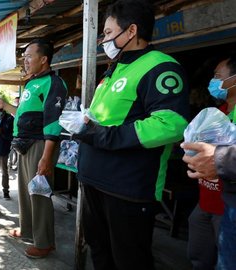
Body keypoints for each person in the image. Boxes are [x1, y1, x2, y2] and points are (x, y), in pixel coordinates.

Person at [72, 1, 190, 269]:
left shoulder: (160, 67)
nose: (104, 39)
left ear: (131, 30)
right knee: (100, 253)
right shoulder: (115, 68)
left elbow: (170, 124)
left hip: (128, 190)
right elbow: (107, 117)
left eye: (108, 32)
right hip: (94, 180)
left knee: (129, 260)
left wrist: (103, 135)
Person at [0, 38, 67, 258]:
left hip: (41, 145)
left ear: (44, 59)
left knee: (39, 194)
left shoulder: (54, 83)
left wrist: (47, 157)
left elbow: (53, 121)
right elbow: (20, 113)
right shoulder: (31, 83)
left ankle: (44, 242)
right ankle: (29, 230)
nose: (25, 60)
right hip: (24, 145)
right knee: (25, 192)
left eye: (29, 56)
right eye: (24, 56)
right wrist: (3, 105)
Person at [182, 53, 236, 270]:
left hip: (228, 205)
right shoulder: (218, 113)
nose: (213, 81)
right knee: (199, 256)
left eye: (217, 76)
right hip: (206, 199)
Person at [0, 111, 14, 200]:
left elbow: (12, 135)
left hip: (3, 149)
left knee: (4, 171)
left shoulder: (9, 118)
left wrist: (1, 132)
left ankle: (6, 191)